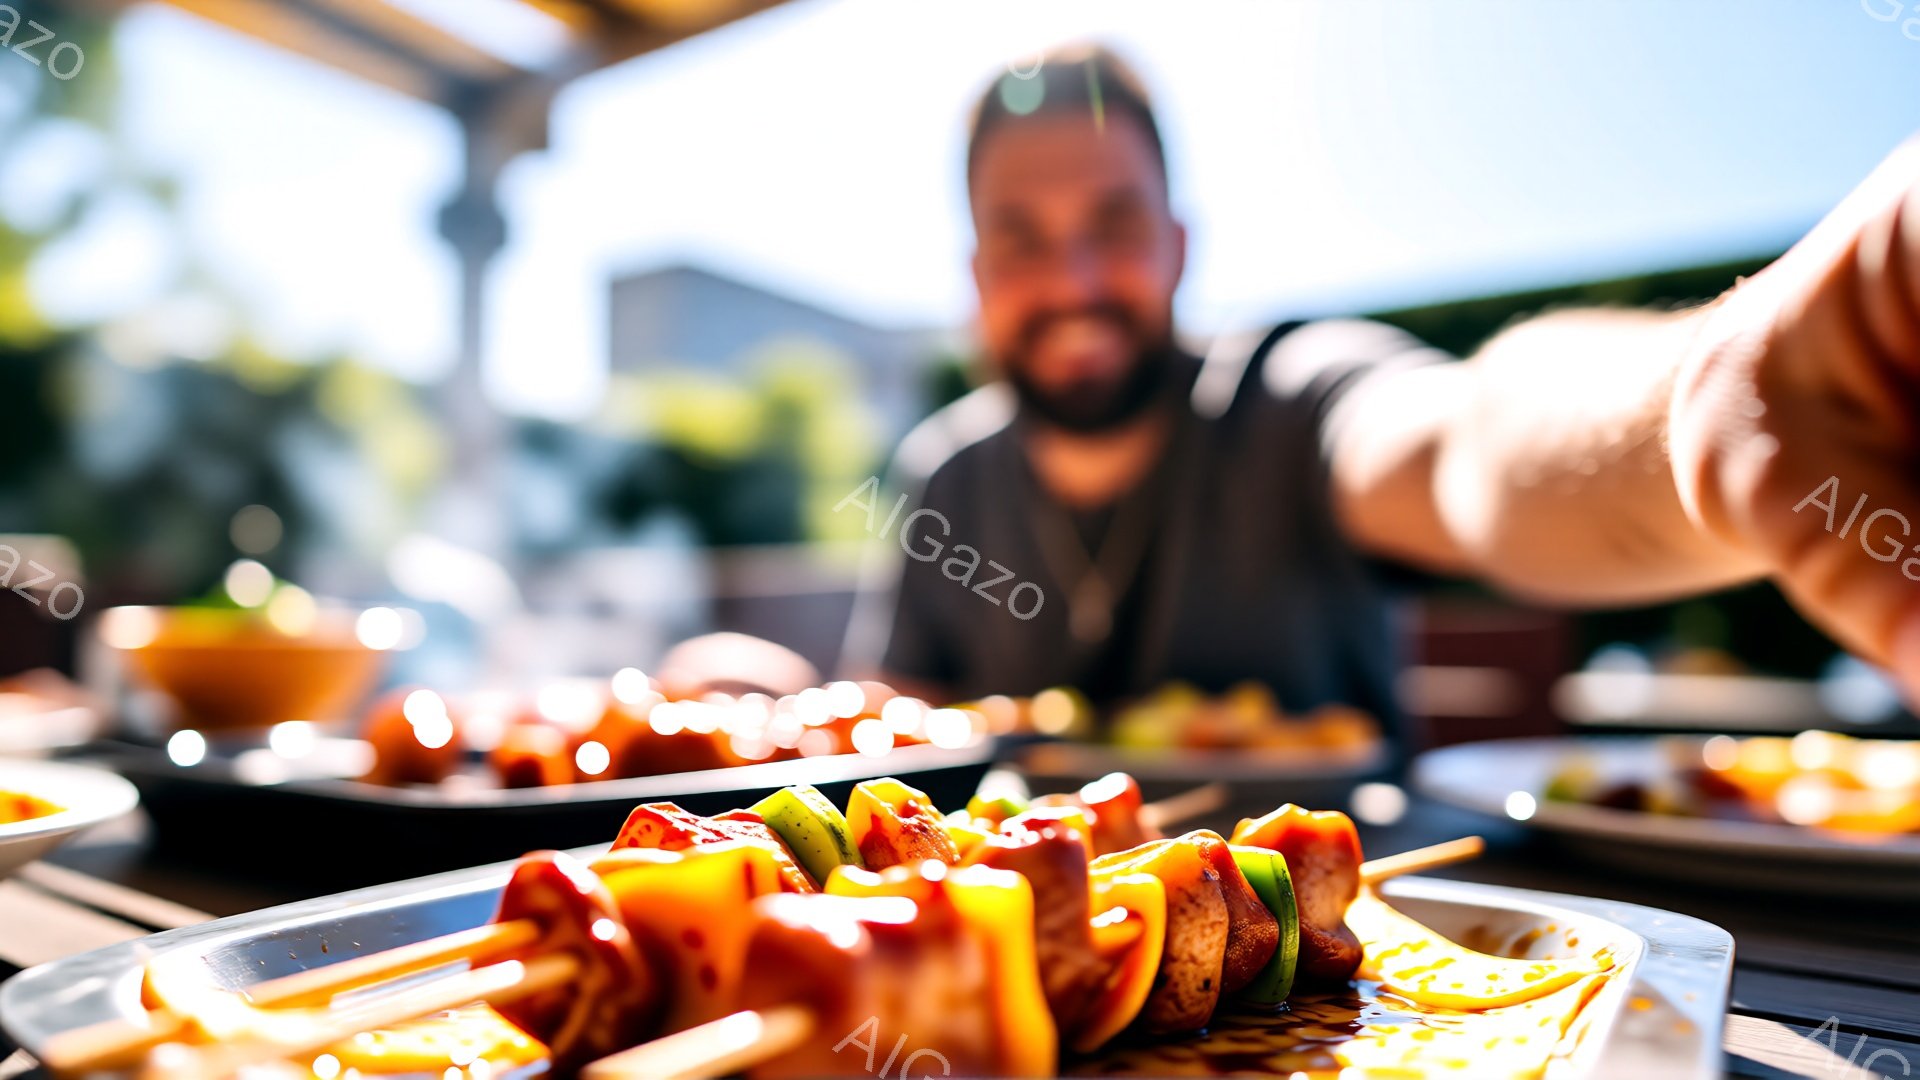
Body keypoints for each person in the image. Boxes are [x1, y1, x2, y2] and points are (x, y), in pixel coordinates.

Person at [827, 45, 1920, 729]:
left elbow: (1466, 447)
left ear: (1176, 245)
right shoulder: (945, 478)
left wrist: (1703, 400)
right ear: (976, 277)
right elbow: (896, 726)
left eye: (1112, 226)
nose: (1071, 282)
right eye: (1021, 239)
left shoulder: (1292, 400)